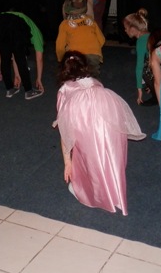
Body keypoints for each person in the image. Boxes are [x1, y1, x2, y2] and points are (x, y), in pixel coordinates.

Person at [55, 51, 146, 215]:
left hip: (86, 126)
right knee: (110, 154)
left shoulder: (64, 89)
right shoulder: (95, 82)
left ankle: (91, 193)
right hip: (108, 121)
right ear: (85, 66)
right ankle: (116, 192)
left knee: (89, 158)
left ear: (63, 70)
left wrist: (67, 162)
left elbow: (65, 128)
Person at [0, 12, 44, 100]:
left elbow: (0, 50)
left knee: (6, 57)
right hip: (14, 27)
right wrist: (39, 79)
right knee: (21, 58)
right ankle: (29, 91)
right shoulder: (36, 35)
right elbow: (39, 59)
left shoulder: (4, 17)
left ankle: (10, 89)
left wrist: (15, 74)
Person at [56, 0, 105, 77]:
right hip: (93, 55)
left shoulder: (65, 24)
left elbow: (60, 46)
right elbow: (102, 40)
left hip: (75, 56)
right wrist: (92, 49)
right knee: (93, 77)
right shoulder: (91, 21)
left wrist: (61, 59)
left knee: (74, 76)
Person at [123, 8, 153, 105]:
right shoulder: (149, 35)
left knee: (143, 70)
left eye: (126, 28)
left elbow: (139, 67)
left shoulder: (140, 42)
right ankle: (152, 85)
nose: (125, 30)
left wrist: (139, 91)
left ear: (132, 29)